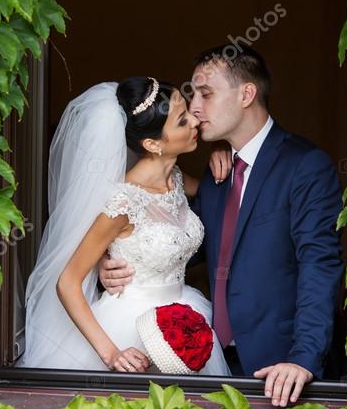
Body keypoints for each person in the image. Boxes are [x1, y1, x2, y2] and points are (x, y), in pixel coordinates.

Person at [101, 45, 344, 406]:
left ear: (247, 94)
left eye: (206, 93)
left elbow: (320, 266)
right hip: (209, 360)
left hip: (278, 371)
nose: (195, 108)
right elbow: (193, 245)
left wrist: (302, 360)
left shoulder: (305, 166)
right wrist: (122, 266)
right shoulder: (218, 174)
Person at [19, 78, 230, 375]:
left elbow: (219, 188)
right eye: (182, 121)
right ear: (153, 144)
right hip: (129, 328)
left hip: (185, 318)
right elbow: (67, 282)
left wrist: (224, 151)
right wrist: (111, 353)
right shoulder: (123, 202)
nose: (195, 120)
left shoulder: (178, 179)